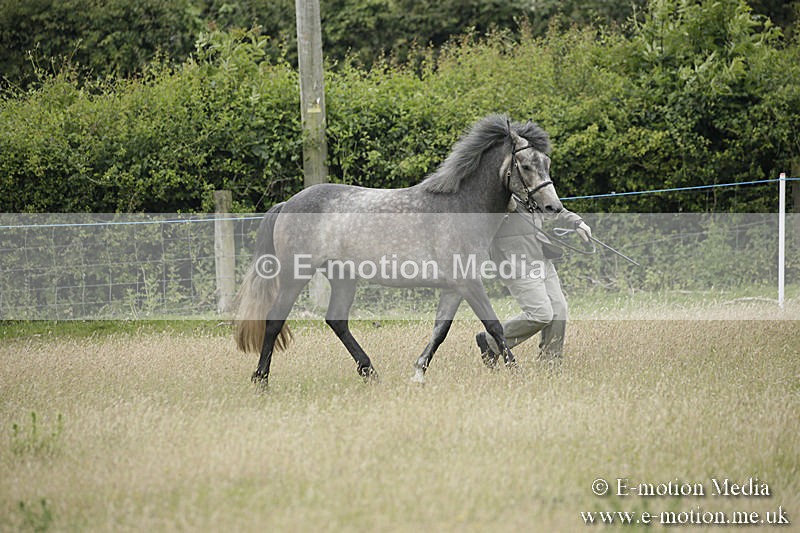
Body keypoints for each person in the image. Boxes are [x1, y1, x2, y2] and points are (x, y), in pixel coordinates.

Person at [476, 196, 591, 366]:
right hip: (515, 262)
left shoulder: (532, 186)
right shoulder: (496, 188)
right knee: (541, 315)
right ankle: (491, 341)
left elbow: (552, 205)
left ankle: (550, 365)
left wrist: (576, 222)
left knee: (559, 309)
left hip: (541, 257)